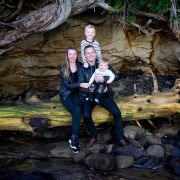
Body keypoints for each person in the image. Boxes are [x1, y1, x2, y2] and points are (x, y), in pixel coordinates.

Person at [79, 45, 128, 148]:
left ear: (95, 53)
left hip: (103, 94)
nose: (90, 54)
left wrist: (103, 80)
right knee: (86, 115)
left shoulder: (102, 63)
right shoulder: (82, 68)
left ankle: (120, 138)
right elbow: (81, 83)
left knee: (117, 112)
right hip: (90, 95)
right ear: (85, 55)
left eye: (92, 52)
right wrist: (93, 84)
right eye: (88, 53)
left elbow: (116, 76)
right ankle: (94, 136)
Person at [59, 47, 89, 153]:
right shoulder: (63, 69)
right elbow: (68, 85)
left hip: (78, 94)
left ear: (77, 55)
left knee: (77, 112)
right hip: (67, 95)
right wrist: (80, 84)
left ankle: (74, 139)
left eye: (74, 54)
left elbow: (88, 74)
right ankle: (74, 139)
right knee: (77, 112)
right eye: (70, 54)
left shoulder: (80, 65)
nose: (72, 56)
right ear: (67, 56)